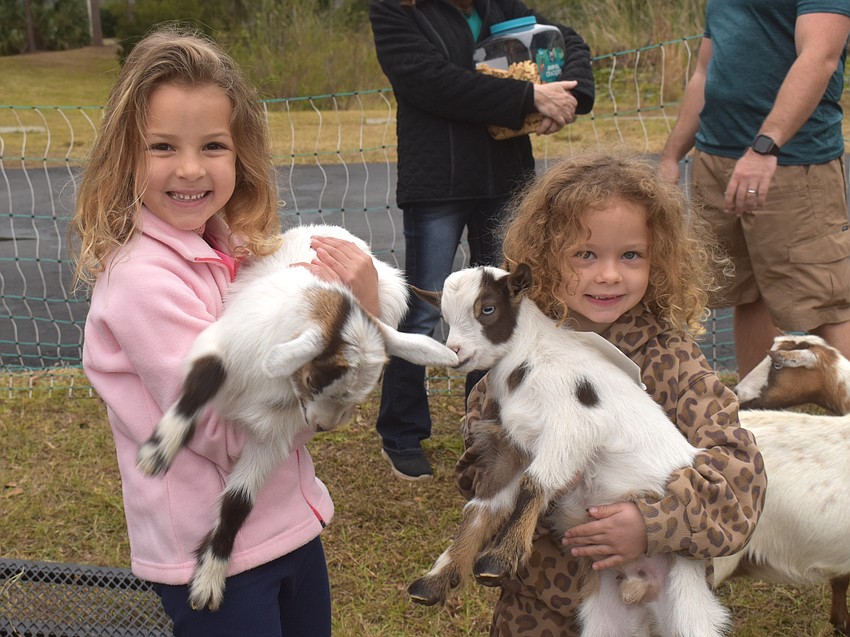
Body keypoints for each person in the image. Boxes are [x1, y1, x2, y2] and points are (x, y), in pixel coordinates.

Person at [71, 26, 380, 637]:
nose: (190, 169)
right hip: (211, 552)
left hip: (287, 522)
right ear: (125, 155)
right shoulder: (142, 283)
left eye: (213, 145)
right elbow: (227, 430)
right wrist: (352, 333)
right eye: (163, 147)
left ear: (242, 154)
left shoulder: (231, 248)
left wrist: (345, 320)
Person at [454, 150, 766, 636]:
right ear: (543, 258)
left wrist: (650, 523)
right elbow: (474, 474)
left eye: (631, 255)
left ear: (659, 259)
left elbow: (739, 485)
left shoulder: (673, 362)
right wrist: (534, 463)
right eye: (585, 255)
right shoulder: (513, 359)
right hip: (541, 607)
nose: (609, 275)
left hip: (652, 609)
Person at [369, 0, 595, 480]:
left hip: (504, 179)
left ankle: (485, 425)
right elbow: (432, 82)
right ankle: (401, 431)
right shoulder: (396, 11)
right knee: (424, 309)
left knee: (498, 306)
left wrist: (569, 93)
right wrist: (529, 97)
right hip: (438, 183)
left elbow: (564, 41)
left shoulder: (499, 5)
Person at [658, 1, 850, 378]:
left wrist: (764, 148)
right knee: (747, 294)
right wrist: (671, 156)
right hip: (716, 160)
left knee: (825, 305)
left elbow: (819, 59)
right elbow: (705, 71)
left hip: (789, 164)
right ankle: (758, 408)